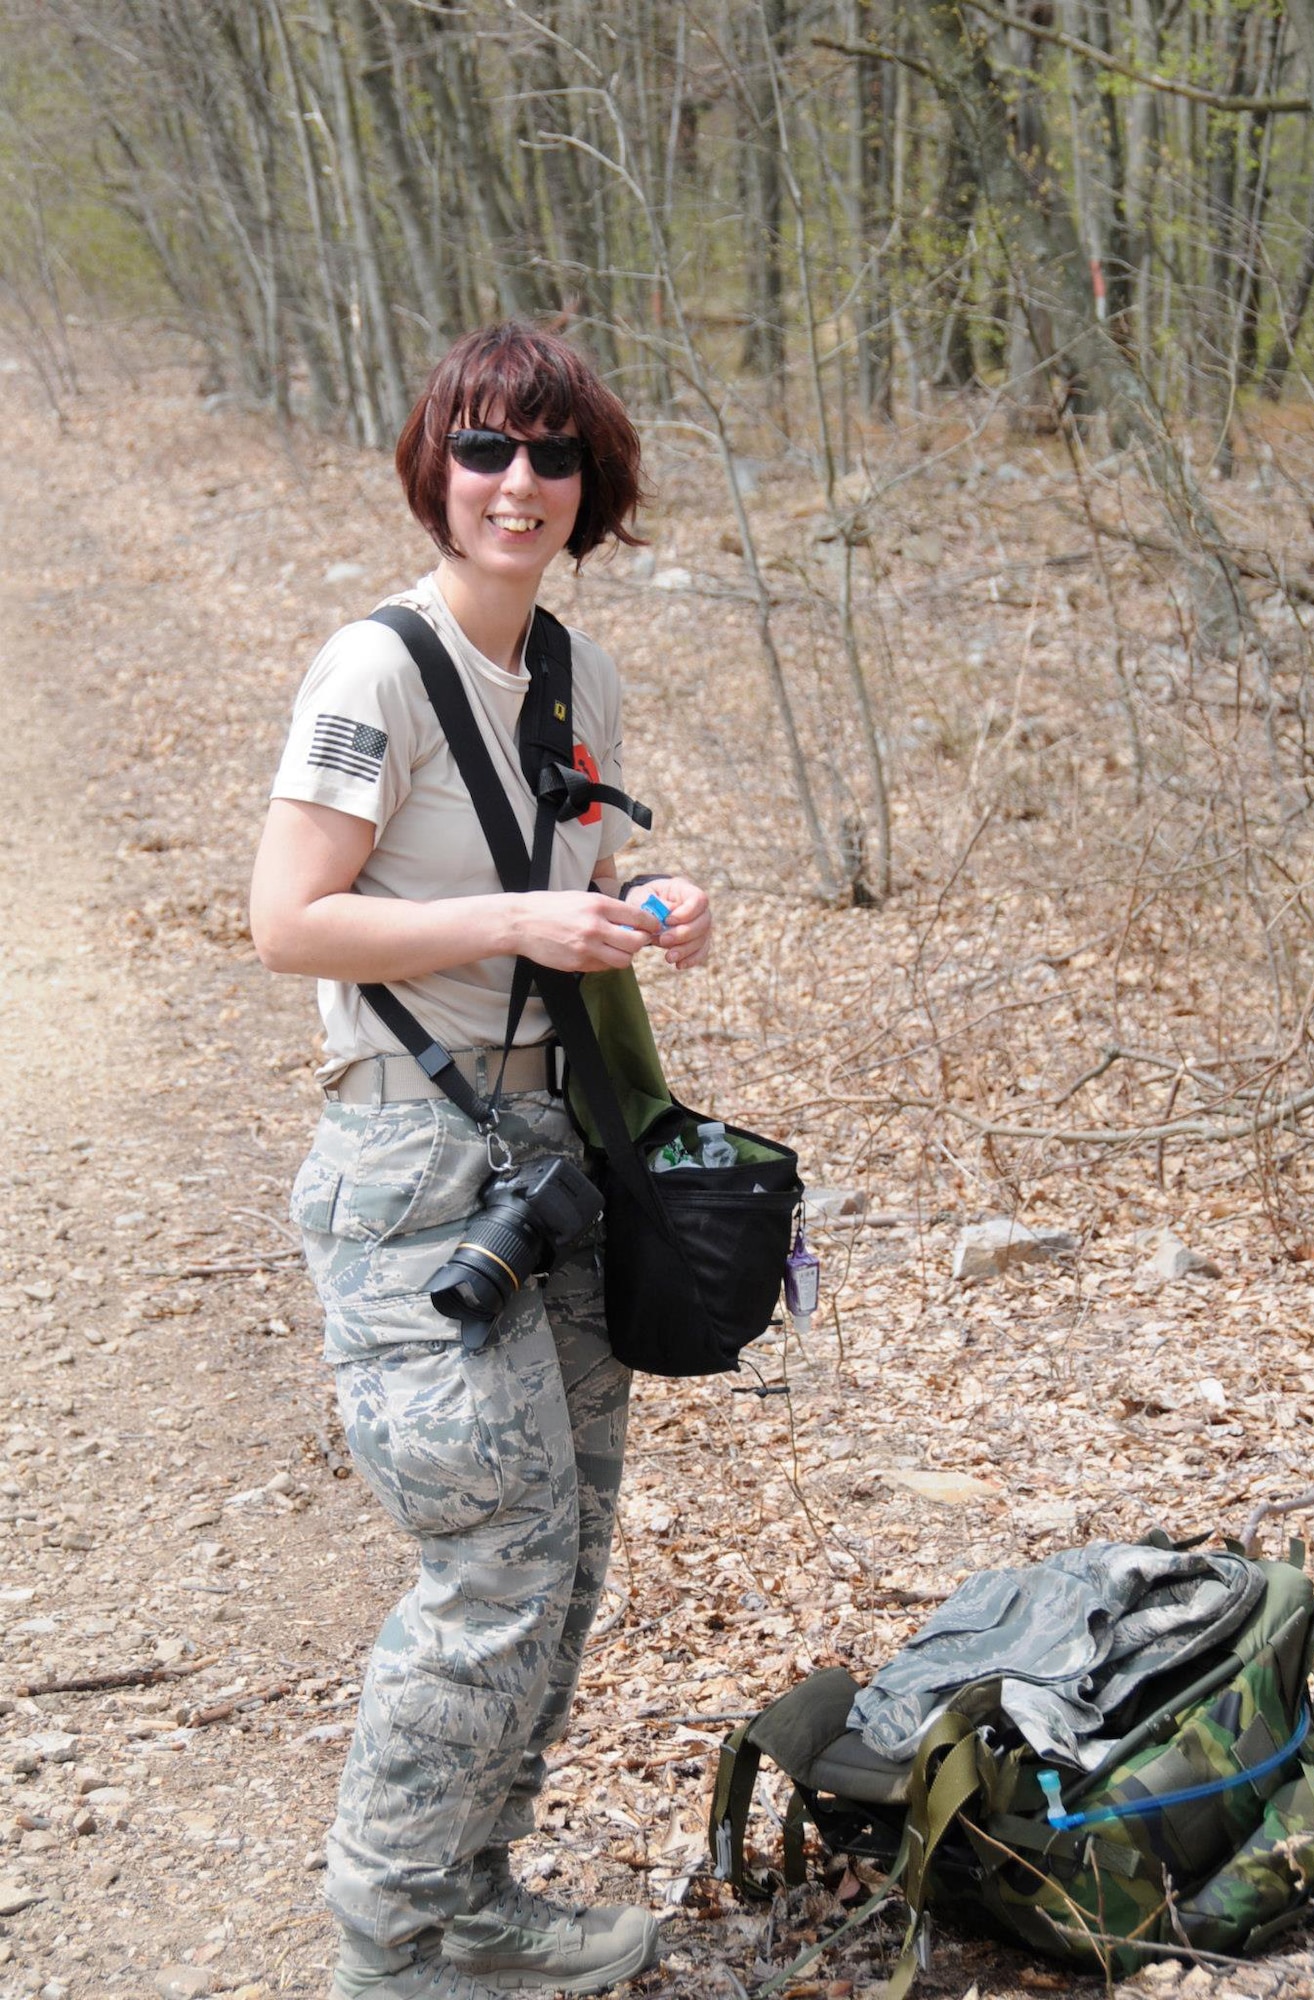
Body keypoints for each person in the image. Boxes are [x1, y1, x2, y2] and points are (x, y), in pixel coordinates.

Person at [250, 322, 711, 2000]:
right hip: (406, 1158)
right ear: (433, 468)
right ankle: (398, 1939)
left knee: (570, 1549)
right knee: (490, 1560)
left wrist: (650, 910)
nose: (519, 484)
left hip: (559, 1148)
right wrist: (513, 913)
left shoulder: (580, 673)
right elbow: (288, 919)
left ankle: (479, 1896)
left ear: (593, 485)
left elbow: (570, 881)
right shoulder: (372, 670)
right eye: (486, 450)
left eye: (553, 454)